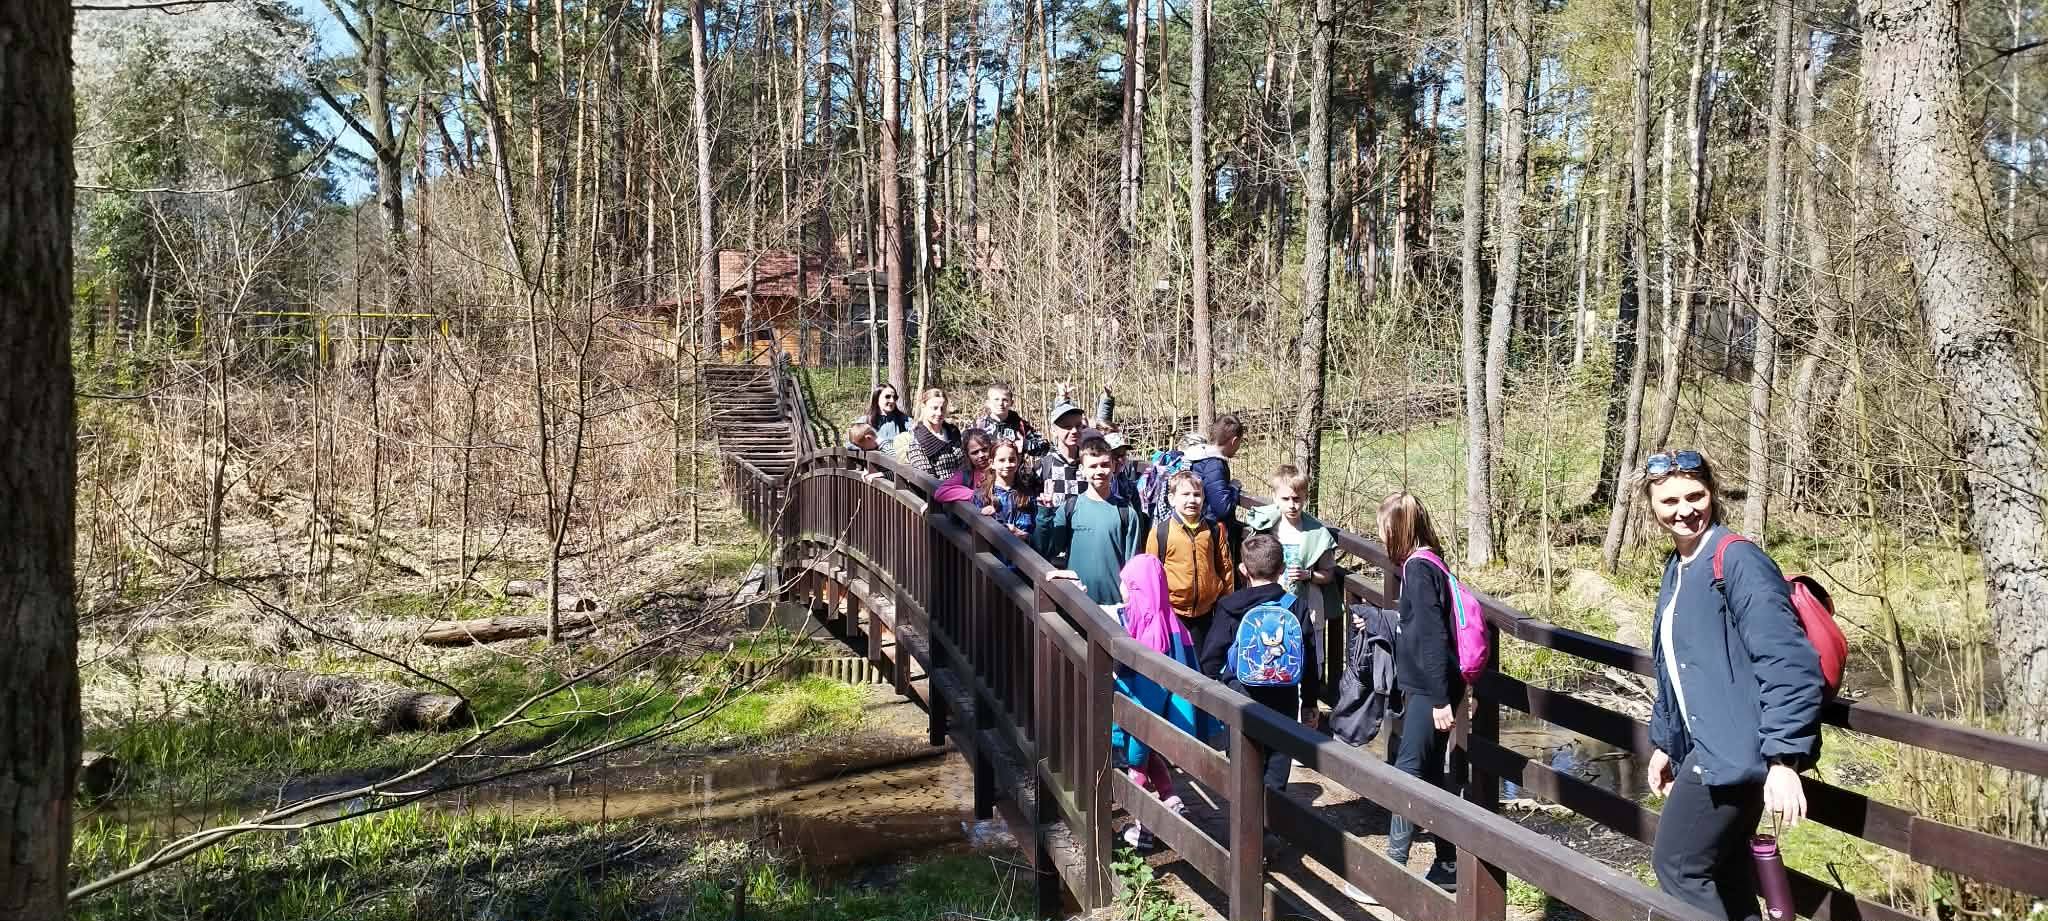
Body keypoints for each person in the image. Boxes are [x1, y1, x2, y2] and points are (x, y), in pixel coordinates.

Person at [1640, 450, 1820, 921]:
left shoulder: (1737, 559)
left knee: (1679, 867)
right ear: (1652, 506)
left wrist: (1783, 760)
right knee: (1723, 872)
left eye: (1695, 496)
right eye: (1670, 501)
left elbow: (1788, 662)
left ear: (1713, 494)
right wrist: (1667, 742)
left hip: (1737, 755)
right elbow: (1679, 667)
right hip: (1709, 746)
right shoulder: (1680, 565)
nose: (1684, 510)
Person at [1378, 491, 1462, 891]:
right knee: (1428, 773)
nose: (1381, 537)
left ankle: (1393, 867)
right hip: (1434, 686)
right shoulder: (1430, 562)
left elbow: (1432, 636)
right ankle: (1448, 864)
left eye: (1384, 529)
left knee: (1408, 771)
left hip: (1432, 690)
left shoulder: (1418, 569)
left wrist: (1442, 699)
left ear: (1398, 529)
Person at [1202, 533, 1318, 790]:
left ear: (1243, 570)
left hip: (1240, 693)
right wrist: (1309, 701)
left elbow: (1210, 657)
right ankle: (1273, 813)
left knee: (1242, 767)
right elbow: (1309, 658)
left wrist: (1213, 687)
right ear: (1283, 569)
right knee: (1277, 764)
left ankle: (1244, 814)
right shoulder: (1296, 606)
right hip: (1284, 693)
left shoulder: (1229, 606)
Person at [1109, 554, 1199, 850]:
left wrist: (1132, 740)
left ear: (1136, 589)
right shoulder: (1169, 622)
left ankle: (1144, 830)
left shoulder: (1151, 637)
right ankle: (1171, 799)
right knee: (1149, 757)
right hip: (1165, 717)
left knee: (1137, 765)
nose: (1121, 588)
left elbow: (1145, 703)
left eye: (1125, 583)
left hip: (1142, 719)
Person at [1244, 465, 1338, 726]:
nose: (1292, 505)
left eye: (1297, 498)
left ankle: (1306, 723)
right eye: (1285, 499)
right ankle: (1273, 722)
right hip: (1272, 612)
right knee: (1272, 662)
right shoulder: (1267, 527)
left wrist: (1309, 575)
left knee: (1308, 664)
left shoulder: (1316, 532)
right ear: (1275, 497)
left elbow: (1328, 574)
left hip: (1307, 608)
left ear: (1305, 496)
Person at [1034, 436, 1142, 606]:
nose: (1099, 471)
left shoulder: (1127, 513)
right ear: (1082, 469)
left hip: (1115, 605)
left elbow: (1133, 565)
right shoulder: (1069, 508)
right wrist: (1044, 513)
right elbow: (1045, 548)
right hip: (1077, 603)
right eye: (1092, 466)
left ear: (1113, 466)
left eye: (1105, 465)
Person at [1149, 471, 1236, 642]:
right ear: (1172, 499)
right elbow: (1151, 574)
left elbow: (1225, 568)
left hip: (1207, 613)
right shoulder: (1160, 533)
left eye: (1197, 495)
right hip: (1173, 613)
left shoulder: (1213, 530)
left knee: (1203, 657)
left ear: (1203, 498)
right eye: (1185, 494)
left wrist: (1225, 606)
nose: (1192, 500)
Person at [1184, 415, 1246, 532]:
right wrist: (1234, 488)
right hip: (1209, 529)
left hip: (1196, 525)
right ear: (1234, 441)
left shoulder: (1199, 457)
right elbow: (1223, 509)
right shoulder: (1214, 465)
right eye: (1239, 442)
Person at [1033, 398, 1090, 509]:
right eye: (1067, 427)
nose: (1074, 431)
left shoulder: (1090, 463)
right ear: (1054, 431)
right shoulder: (1043, 466)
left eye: (1078, 425)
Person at [977, 441, 1037, 539]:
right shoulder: (982, 494)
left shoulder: (1027, 494)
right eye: (1001, 460)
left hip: (1024, 547)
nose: (1008, 464)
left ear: (1018, 462)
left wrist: (1025, 535)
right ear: (992, 463)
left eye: (1012, 460)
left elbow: (1035, 530)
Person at [901, 388, 964, 480]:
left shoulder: (953, 432)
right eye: (934, 408)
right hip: (940, 487)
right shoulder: (917, 439)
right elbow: (927, 479)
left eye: (942, 408)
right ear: (923, 407)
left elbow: (965, 464)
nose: (939, 413)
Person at [974, 382, 1050, 456]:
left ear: (1011, 403)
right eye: (996, 399)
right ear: (988, 403)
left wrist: (1026, 444)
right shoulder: (978, 426)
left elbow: (1045, 447)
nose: (1000, 403)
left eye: (1005, 400)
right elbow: (968, 451)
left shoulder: (1020, 425)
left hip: (1014, 464)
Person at [941, 429, 996, 493]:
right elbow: (941, 491)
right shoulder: (966, 474)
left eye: (985, 449)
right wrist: (975, 495)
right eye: (975, 452)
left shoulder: (1002, 468)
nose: (981, 455)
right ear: (967, 455)